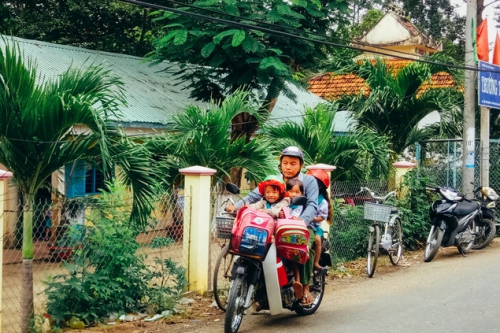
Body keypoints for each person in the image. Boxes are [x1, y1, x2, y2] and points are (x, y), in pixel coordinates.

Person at [226, 146, 318, 306]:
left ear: (301, 165)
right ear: (280, 164)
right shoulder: (273, 179)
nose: (288, 167)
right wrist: (238, 207)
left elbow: (312, 205)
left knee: (301, 246)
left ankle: (305, 288)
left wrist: (302, 221)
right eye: (285, 163)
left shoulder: (309, 181)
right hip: (271, 224)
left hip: (298, 224)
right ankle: (260, 291)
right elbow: (254, 196)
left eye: (293, 163)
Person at [306, 169, 333, 273]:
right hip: (302, 225)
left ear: (320, 186)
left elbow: (322, 217)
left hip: (315, 227)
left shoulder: (322, 201)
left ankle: (316, 263)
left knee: (317, 239)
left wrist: (312, 218)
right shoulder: (303, 195)